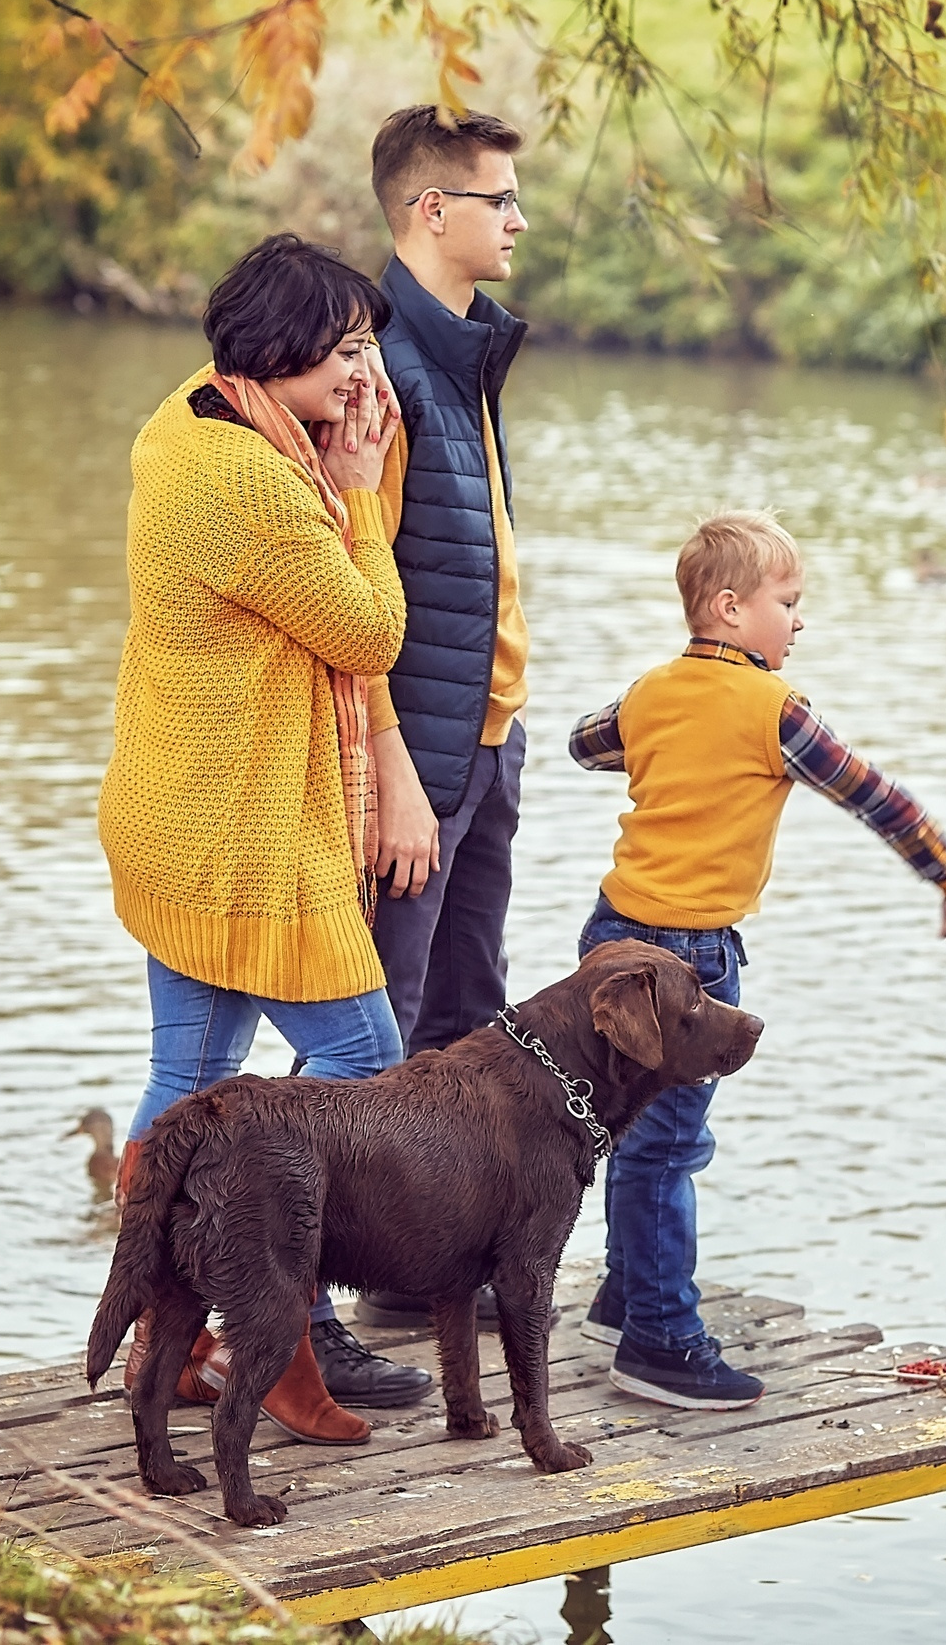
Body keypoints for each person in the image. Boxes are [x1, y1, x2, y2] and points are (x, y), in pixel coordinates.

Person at [97, 233, 434, 1434]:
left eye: (368, 348)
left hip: (180, 816)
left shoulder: (191, 421)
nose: (364, 377)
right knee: (362, 1071)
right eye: (346, 350)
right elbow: (367, 633)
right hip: (239, 839)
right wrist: (356, 497)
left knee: (188, 1082)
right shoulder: (255, 486)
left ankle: (166, 1335)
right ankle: (272, 1335)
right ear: (282, 351)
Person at [567, 510, 946, 1407]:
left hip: (610, 937)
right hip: (685, 961)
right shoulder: (777, 710)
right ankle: (659, 1339)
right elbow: (878, 798)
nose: (799, 621)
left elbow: (586, 744)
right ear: (729, 608)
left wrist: (671, 746)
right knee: (669, 1148)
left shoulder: (653, 689)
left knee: (630, 1131)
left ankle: (624, 1293)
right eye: (789, 602)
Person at [349, 105, 534, 1330]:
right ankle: (343, 1290)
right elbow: (353, 581)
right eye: (498, 200)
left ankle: (427, 1282)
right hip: (416, 760)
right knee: (383, 1025)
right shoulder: (377, 367)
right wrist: (397, 771)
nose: (516, 221)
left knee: (471, 1018)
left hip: (489, 739)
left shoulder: (463, 353)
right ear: (432, 211)